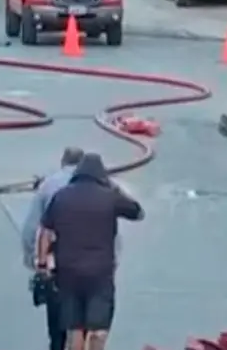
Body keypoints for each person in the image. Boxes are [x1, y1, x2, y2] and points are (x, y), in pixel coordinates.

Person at [37, 153, 144, 350]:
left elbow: (45, 231)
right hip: (99, 274)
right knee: (97, 328)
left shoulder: (61, 196)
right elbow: (138, 212)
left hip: (67, 273)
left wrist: (42, 265)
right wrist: (114, 188)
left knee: (75, 328)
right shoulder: (110, 197)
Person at [22, 147, 85, 350]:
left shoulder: (48, 185)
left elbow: (31, 228)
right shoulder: (99, 187)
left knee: (56, 327)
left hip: (55, 263)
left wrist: (32, 261)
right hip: (88, 264)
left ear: (62, 162)